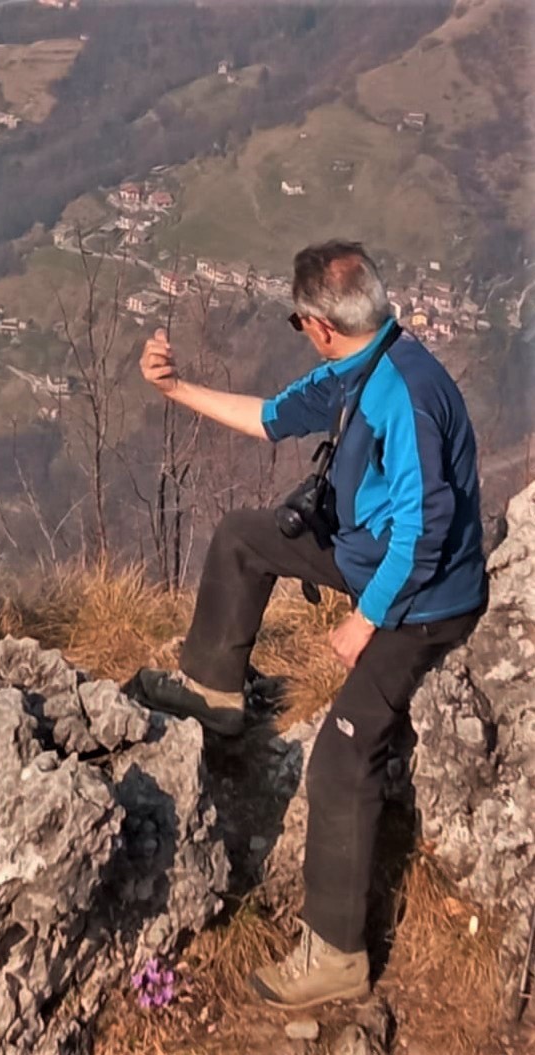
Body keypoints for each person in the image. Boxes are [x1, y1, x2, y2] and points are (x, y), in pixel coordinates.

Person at [135, 240, 486, 1010]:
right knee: (241, 535)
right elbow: (268, 420)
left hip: (423, 604)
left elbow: (430, 529)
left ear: (322, 325)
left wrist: (366, 621)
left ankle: (336, 955)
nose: (302, 333)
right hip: (371, 560)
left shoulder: (406, 392)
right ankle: (215, 689)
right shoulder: (362, 363)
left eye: (299, 322)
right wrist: (175, 389)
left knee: (341, 755)